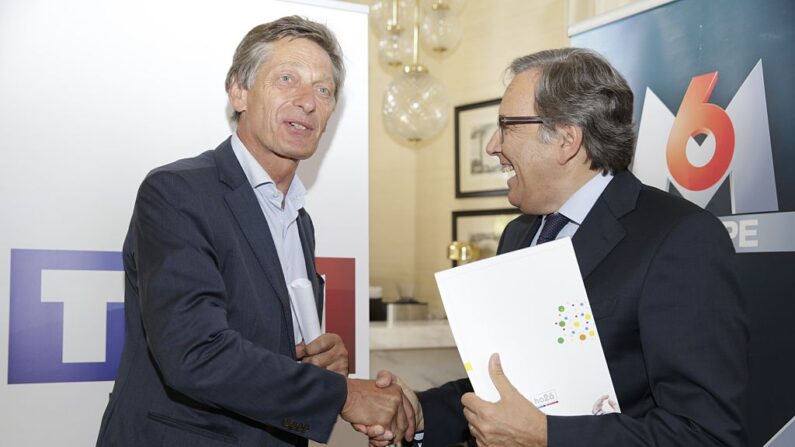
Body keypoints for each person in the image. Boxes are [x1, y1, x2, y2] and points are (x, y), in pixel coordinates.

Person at [367, 48, 748, 446]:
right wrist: (416, 412)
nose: (492, 145)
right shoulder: (518, 234)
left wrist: (547, 437)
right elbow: (506, 380)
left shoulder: (680, 238)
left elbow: (705, 435)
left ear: (566, 139)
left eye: (506, 125)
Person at [96, 16, 413, 447]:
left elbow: (263, 345)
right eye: (287, 79)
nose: (307, 101)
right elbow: (195, 353)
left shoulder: (299, 220)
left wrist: (319, 361)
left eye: (324, 90)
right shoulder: (178, 191)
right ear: (238, 91)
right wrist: (341, 395)